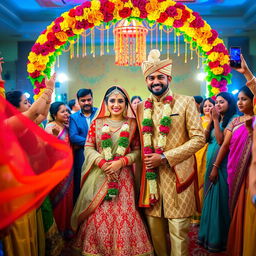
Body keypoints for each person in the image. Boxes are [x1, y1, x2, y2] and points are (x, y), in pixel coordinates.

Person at [0, 57, 72, 256]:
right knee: (21, 235)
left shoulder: (24, 123)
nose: (30, 103)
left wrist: (47, 95)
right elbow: (33, 112)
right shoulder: (8, 127)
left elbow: (39, 114)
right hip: (14, 189)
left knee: (33, 230)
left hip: (28, 186)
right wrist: (48, 89)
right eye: (25, 101)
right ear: (14, 107)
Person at [137, 49, 205, 256]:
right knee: (155, 233)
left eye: (160, 77)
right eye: (151, 78)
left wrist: (166, 157)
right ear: (146, 81)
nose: (155, 81)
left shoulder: (186, 102)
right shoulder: (140, 108)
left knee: (178, 232)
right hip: (151, 181)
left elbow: (199, 138)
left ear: (169, 78)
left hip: (178, 178)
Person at [71, 85, 153, 256]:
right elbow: (88, 146)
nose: (116, 104)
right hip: (101, 175)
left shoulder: (132, 124)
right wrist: (101, 162)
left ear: (126, 103)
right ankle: (97, 249)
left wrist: (122, 162)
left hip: (123, 177)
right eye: (112, 101)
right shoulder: (97, 123)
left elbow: (138, 150)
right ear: (106, 103)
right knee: (98, 213)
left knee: (125, 212)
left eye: (120, 101)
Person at [198, 92, 237, 252]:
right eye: (217, 102)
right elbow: (206, 138)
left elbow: (222, 142)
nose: (218, 105)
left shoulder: (233, 119)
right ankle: (207, 236)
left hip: (221, 164)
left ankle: (219, 239)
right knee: (209, 198)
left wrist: (214, 119)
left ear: (229, 103)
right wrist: (211, 121)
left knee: (218, 199)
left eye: (222, 102)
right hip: (210, 160)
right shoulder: (219, 119)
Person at [45, 102, 73, 239]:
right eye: (62, 112)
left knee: (68, 200)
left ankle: (66, 229)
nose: (66, 114)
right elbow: (47, 146)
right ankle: (57, 233)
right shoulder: (51, 126)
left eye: (67, 111)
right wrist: (54, 136)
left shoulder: (68, 127)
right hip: (57, 170)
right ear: (54, 114)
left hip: (69, 171)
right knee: (59, 201)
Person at [69, 89, 98, 204]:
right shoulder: (74, 117)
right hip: (82, 156)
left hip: (99, 154)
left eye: (89, 100)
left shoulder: (100, 113)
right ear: (78, 101)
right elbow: (73, 136)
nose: (86, 103)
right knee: (81, 184)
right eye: (83, 100)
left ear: (92, 99)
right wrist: (92, 142)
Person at [192, 98, 215, 225]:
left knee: (206, 180)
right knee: (197, 181)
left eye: (210, 105)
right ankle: (196, 215)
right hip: (197, 153)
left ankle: (206, 215)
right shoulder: (198, 120)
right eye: (205, 106)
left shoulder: (218, 121)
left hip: (209, 152)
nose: (207, 108)